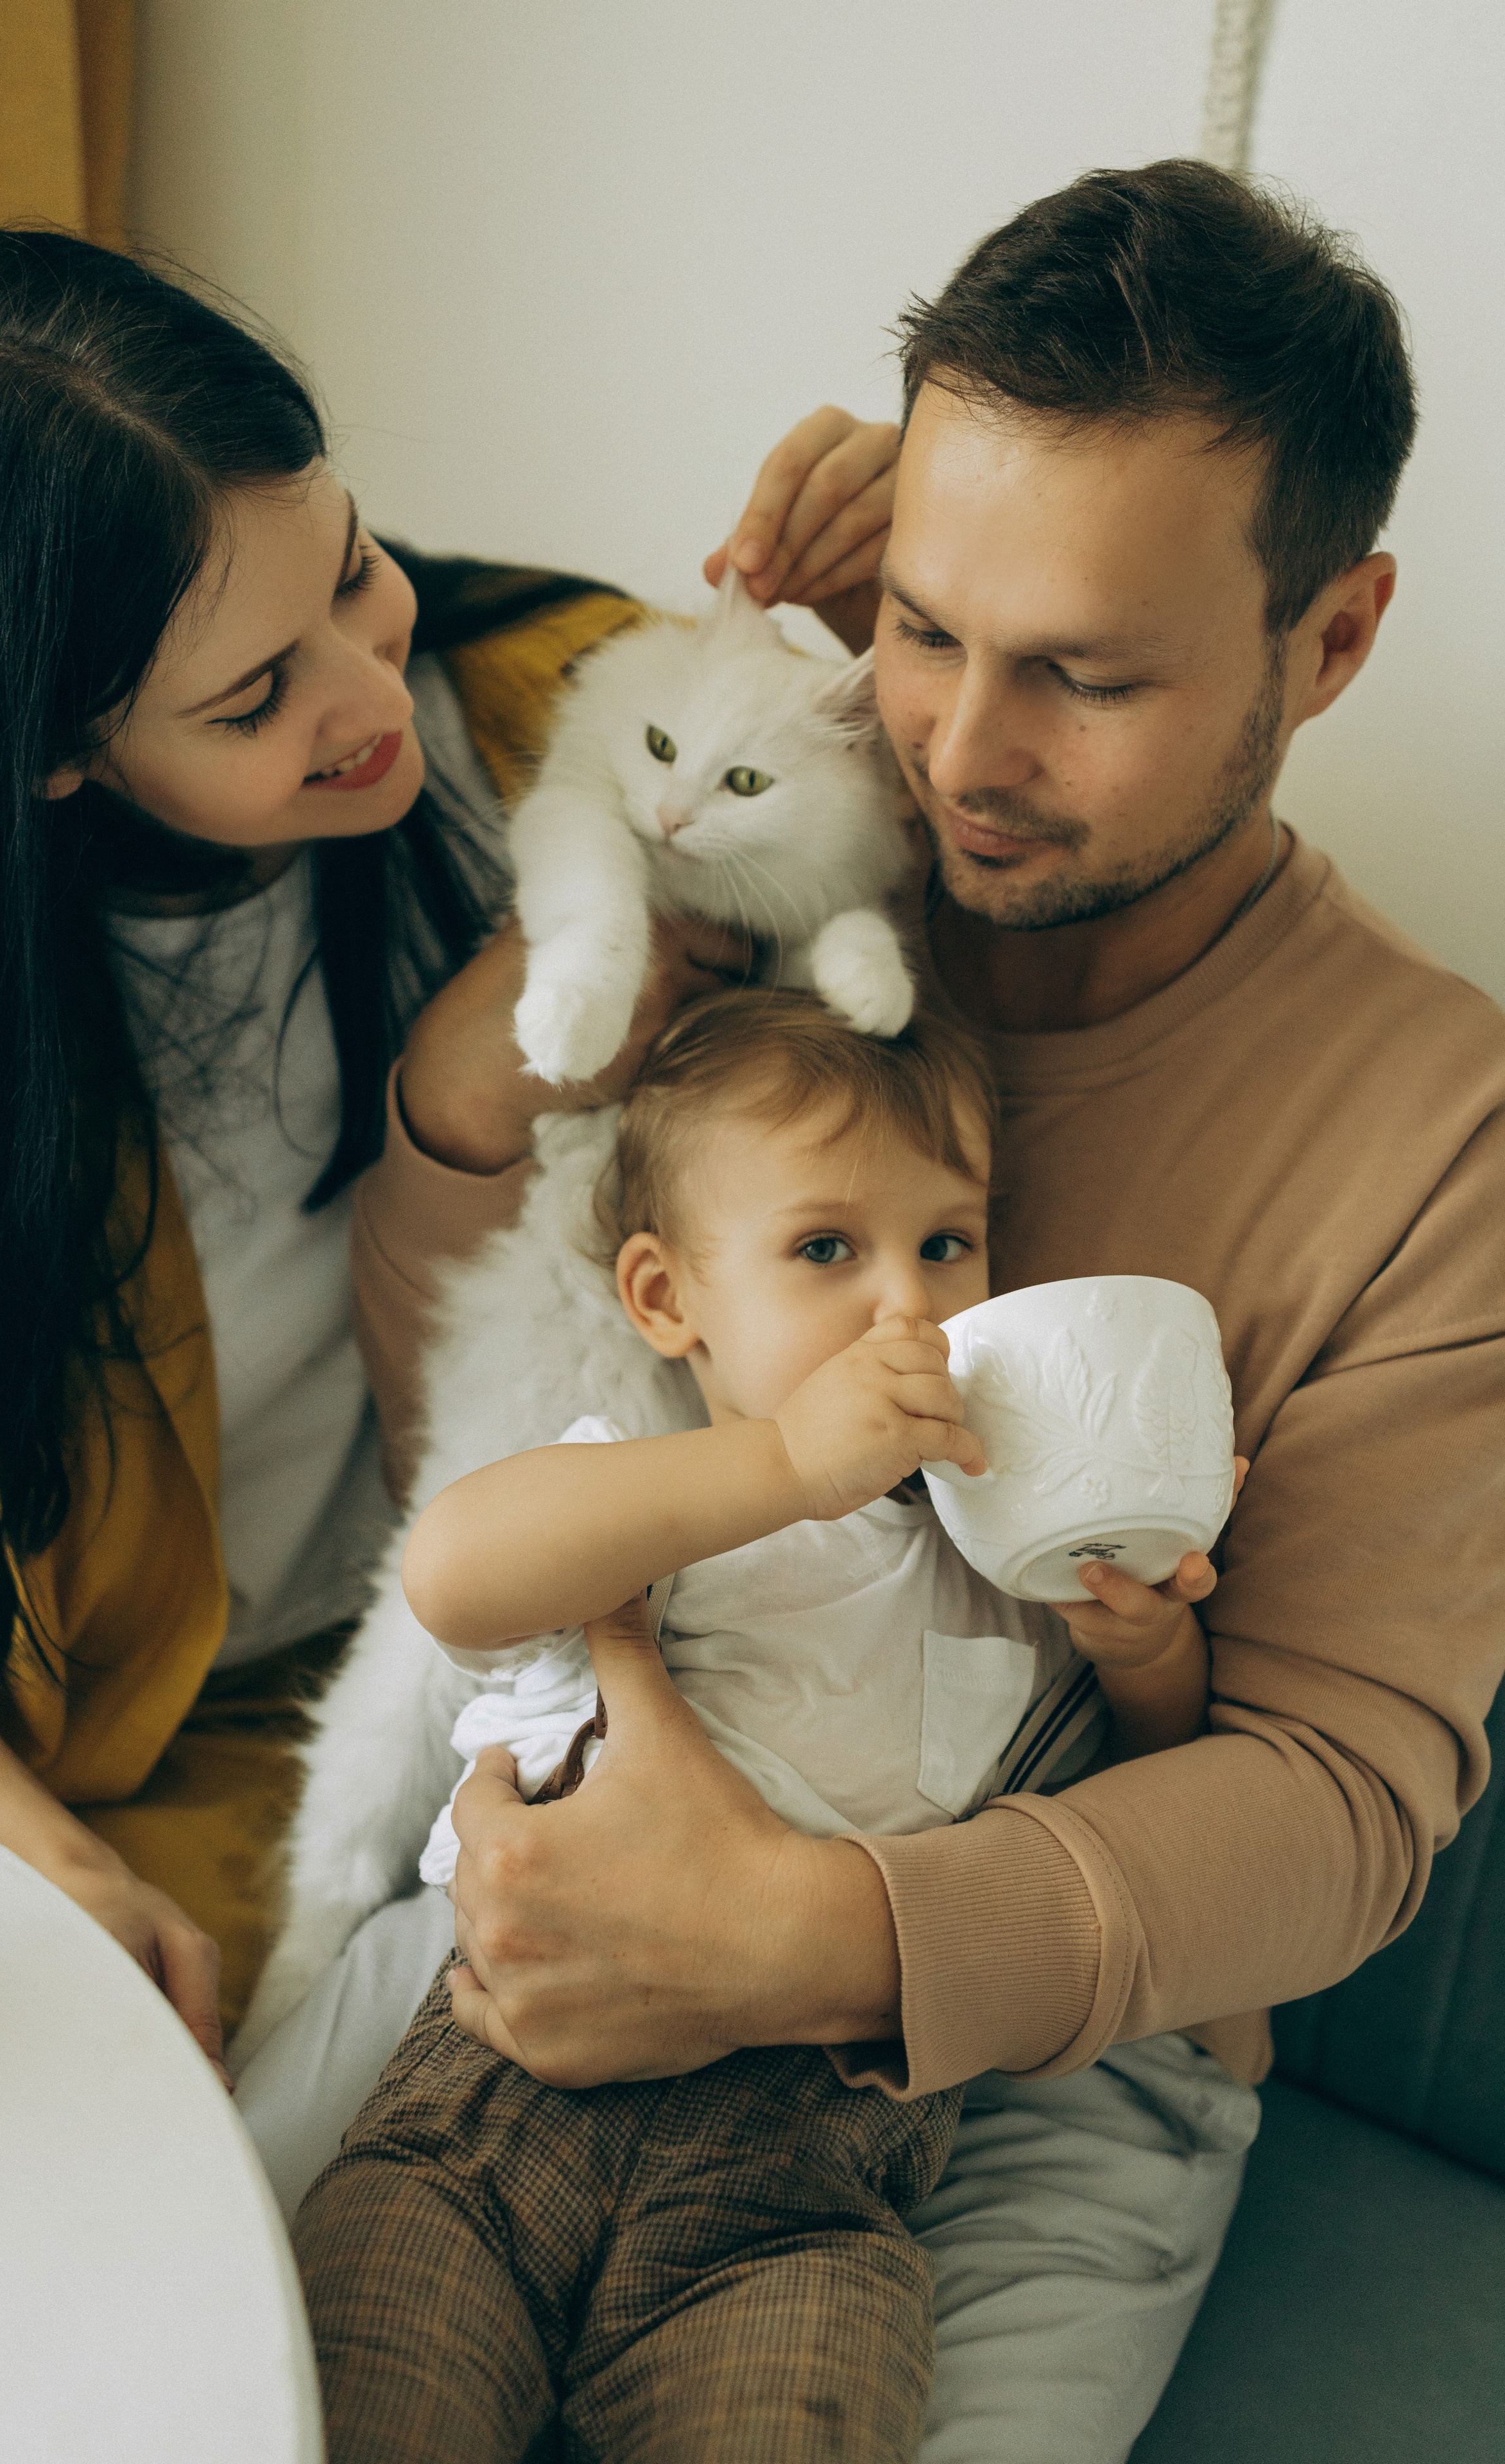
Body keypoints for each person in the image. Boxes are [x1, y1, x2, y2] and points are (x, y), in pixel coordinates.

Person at [237, 160, 1505, 2463]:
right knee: (188, 2377)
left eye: (1084, 675)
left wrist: (812, 1939)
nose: (961, 752)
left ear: (1332, 641)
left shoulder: (1443, 1126)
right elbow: (469, 1389)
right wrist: (751, 700)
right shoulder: (810, 845)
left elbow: (1343, 1807)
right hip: (565, 1852)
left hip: (1046, 2054)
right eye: (929, 629)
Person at [0, 227, 743, 2066]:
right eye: (254, 697)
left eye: (354, 568)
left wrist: (919, 568)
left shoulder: (561, 725)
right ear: (42, 752)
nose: (366, 695)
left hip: (518, 1681)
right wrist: (44, 1867)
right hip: (83, 1765)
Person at [294, 988, 1225, 2463]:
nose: (905, 1306)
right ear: (668, 1301)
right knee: (355, 2404)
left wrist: (1143, 1645)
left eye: (945, 1243)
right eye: (822, 1251)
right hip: (485, 2135)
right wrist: (789, 1466)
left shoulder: (1000, 1571)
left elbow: (1148, 1784)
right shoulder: (651, 1498)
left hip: (796, 2207)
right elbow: (455, 1573)